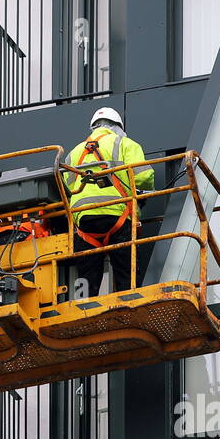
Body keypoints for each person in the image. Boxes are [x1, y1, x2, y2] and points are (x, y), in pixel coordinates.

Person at [64, 107, 155, 298]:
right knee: (126, 272)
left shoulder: (74, 153)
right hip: (117, 216)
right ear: (117, 127)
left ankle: (86, 309)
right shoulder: (125, 143)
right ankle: (129, 304)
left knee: (88, 278)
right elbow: (145, 177)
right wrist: (139, 191)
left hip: (84, 222)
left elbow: (68, 185)